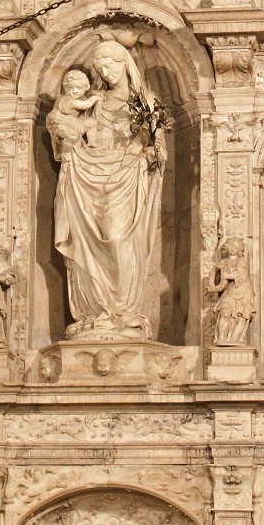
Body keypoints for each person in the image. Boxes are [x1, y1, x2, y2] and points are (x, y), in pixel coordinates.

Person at [52, 39, 167, 338]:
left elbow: (158, 147)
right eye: (100, 68)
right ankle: (95, 312)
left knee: (118, 238)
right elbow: (65, 130)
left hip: (126, 176)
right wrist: (67, 136)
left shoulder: (146, 102)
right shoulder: (92, 102)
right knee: (83, 241)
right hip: (86, 176)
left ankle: (124, 312)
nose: (106, 72)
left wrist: (150, 152)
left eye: (110, 64)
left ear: (125, 63)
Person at [46, 69, 101, 155]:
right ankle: (66, 154)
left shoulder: (79, 97)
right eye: (71, 88)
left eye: (78, 88)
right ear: (66, 89)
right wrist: (95, 98)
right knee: (71, 138)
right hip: (61, 122)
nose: (75, 91)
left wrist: (93, 93)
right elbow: (86, 104)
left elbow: (86, 96)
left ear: (85, 87)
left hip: (73, 122)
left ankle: (92, 142)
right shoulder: (69, 101)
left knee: (92, 123)